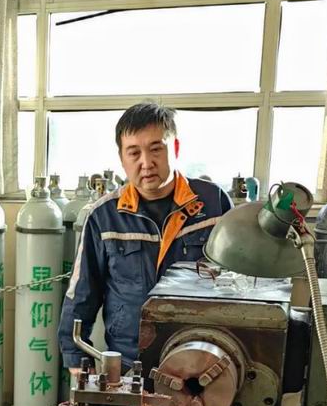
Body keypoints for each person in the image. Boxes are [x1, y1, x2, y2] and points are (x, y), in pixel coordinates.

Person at [59, 101, 233, 367]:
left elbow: (238, 282)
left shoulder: (213, 203)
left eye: (156, 149)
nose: (146, 163)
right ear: (122, 159)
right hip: (129, 362)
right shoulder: (104, 216)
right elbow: (82, 294)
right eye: (134, 153)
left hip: (201, 358)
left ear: (175, 148)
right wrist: (76, 360)